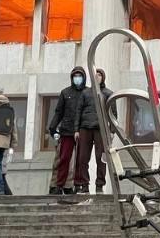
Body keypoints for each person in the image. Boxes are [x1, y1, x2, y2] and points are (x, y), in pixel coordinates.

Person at [74, 68, 116, 194]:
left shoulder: (108, 94)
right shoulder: (85, 93)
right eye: (95, 75)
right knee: (82, 158)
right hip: (85, 128)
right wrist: (76, 129)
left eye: (99, 75)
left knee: (101, 158)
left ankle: (100, 185)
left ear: (103, 77)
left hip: (101, 129)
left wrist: (112, 131)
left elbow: (113, 114)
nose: (97, 77)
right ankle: (84, 185)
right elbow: (78, 111)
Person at [48, 66, 87, 195]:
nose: (77, 78)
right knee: (64, 158)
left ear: (84, 77)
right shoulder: (65, 93)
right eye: (75, 76)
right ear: (72, 78)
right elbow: (58, 112)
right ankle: (59, 185)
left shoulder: (88, 92)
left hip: (82, 130)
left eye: (79, 76)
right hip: (67, 130)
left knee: (80, 160)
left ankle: (78, 185)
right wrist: (53, 128)